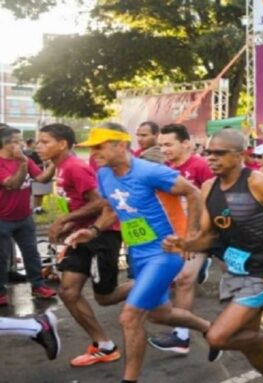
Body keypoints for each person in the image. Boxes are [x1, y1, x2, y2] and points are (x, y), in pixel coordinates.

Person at [66, 123, 216, 383]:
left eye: (99, 147)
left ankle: (130, 380)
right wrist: (92, 232)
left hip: (164, 252)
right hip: (138, 251)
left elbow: (192, 193)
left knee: (130, 317)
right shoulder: (103, 174)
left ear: (120, 145)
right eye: (91, 148)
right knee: (161, 313)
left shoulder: (150, 171)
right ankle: (213, 332)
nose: (94, 153)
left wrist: (189, 237)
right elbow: (113, 210)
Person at [163, 129, 263, 382]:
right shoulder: (209, 187)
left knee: (218, 337)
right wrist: (185, 243)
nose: (211, 158)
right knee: (248, 344)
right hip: (236, 271)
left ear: (239, 155)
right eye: (209, 152)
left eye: (219, 153)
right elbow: (209, 236)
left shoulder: (257, 182)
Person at [35, 123, 132, 367]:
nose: (38, 146)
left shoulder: (75, 167)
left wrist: (65, 219)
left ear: (63, 144)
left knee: (106, 297)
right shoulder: (59, 167)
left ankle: (152, 282)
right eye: (39, 141)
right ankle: (104, 345)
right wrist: (70, 225)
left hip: (103, 234)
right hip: (81, 235)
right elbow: (79, 204)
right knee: (68, 291)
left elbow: (100, 203)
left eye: (45, 141)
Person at [147, 123, 215, 355]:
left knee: (185, 278)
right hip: (174, 235)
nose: (164, 149)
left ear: (185, 143)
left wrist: (196, 235)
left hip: (201, 233)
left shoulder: (201, 166)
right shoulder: (164, 169)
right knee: (181, 279)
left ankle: (181, 335)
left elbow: (214, 200)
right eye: (161, 145)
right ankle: (181, 335)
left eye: (168, 144)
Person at [0, 125, 57, 306]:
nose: (21, 145)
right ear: (5, 143)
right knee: (1, 257)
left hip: (24, 216)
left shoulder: (24, 159)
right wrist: (23, 164)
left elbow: (41, 178)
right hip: (2, 218)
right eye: (16, 141)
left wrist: (55, 162)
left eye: (21, 140)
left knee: (31, 253)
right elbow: (12, 184)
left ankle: (38, 285)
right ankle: (1, 291)